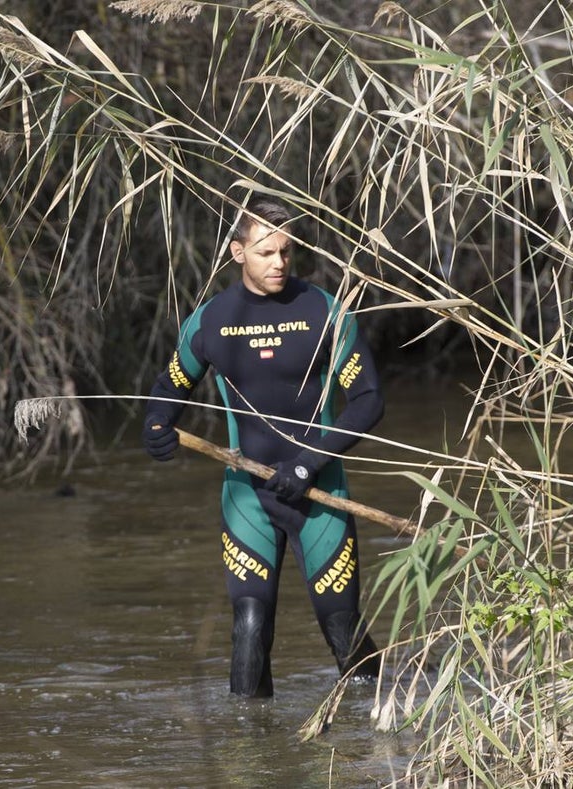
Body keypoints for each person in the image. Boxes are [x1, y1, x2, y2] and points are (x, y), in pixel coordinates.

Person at [142, 197, 384, 697]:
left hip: (319, 495)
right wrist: (157, 422)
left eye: (286, 252)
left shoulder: (323, 310)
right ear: (237, 252)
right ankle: (248, 753)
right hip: (247, 497)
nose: (279, 263)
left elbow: (367, 401)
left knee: (342, 630)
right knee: (249, 625)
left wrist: (308, 463)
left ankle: (381, 732)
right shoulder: (210, 321)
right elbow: (171, 386)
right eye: (266, 252)